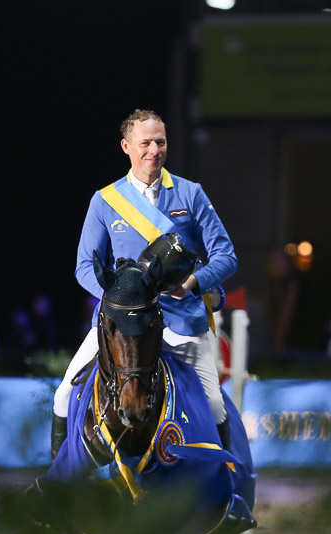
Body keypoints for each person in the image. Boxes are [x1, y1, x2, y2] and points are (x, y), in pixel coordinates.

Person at [51, 109, 237, 458]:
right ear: (126, 146)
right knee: (63, 395)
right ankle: (56, 486)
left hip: (181, 317)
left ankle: (228, 495)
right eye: (145, 143)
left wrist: (192, 283)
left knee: (213, 403)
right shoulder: (104, 201)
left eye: (160, 142)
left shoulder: (191, 194)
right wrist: (121, 298)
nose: (154, 150)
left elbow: (226, 256)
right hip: (122, 325)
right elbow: (83, 268)